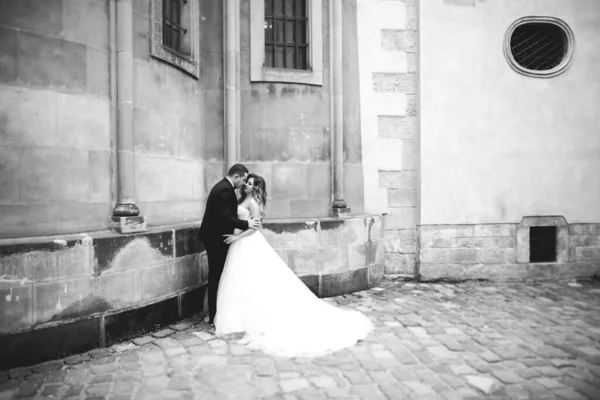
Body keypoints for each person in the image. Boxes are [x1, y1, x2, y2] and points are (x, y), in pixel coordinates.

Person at [214, 174, 374, 358]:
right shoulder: (242, 199)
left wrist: (237, 237)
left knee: (252, 279)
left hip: (247, 242)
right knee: (240, 281)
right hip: (238, 245)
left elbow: (255, 227)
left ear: (256, 187)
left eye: (250, 184)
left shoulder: (253, 204)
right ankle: (240, 319)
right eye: (246, 183)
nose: (246, 185)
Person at [199, 164, 261, 326]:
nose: (244, 183)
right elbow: (225, 218)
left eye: (248, 181)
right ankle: (214, 315)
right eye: (244, 179)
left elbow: (230, 217)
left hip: (225, 238)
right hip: (217, 239)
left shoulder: (224, 188)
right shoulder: (225, 190)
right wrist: (246, 223)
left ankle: (218, 313)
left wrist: (242, 230)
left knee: (222, 275)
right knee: (217, 276)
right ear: (236, 176)